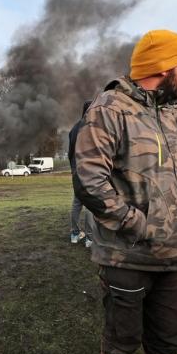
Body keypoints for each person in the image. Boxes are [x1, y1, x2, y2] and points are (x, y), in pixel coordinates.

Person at [74, 29, 177, 354]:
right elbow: (89, 182)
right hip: (127, 256)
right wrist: (139, 225)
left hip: (172, 255)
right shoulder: (109, 109)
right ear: (162, 65)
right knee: (122, 340)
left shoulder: (164, 112)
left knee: (166, 340)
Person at [68, 101, 94, 248]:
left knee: (77, 203)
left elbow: (70, 153)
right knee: (90, 205)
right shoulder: (93, 127)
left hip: (76, 172)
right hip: (90, 172)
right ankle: (89, 239)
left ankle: (75, 234)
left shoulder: (74, 128)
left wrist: (73, 169)